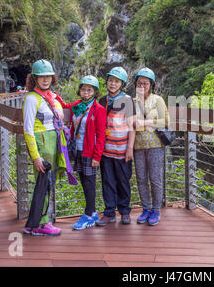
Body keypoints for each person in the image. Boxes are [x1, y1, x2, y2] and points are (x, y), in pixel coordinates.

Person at [55, 75, 107, 230]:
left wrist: (97, 156)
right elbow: (64, 106)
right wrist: (53, 96)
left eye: (89, 90)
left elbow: (101, 135)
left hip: (90, 151)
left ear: (95, 92)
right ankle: (92, 212)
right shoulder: (78, 105)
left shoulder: (99, 110)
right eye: (83, 89)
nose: (86, 92)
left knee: (90, 182)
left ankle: (89, 215)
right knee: (84, 181)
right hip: (77, 149)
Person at [22, 59, 65, 236]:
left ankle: (35, 223)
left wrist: (56, 102)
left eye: (48, 76)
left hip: (52, 142)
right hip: (42, 143)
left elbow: (60, 114)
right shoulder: (32, 98)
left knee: (48, 183)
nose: (45, 80)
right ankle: (41, 223)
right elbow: (27, 129)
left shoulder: (51, 97)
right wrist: (36, 156)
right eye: (41, 77)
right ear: (35, 78)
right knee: (44, 184)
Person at [96, 67, 136, 226]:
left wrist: (130, 148)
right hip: (105, 150)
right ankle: (109, 212)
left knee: (123, 181)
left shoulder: (127, 100)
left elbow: (132, 126)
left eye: (117, 81)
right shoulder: (102, 101)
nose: (113, 84)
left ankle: (125, 212)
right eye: (111, 80)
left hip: (122, 150)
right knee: (108, 181)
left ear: (122, 84)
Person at [133, 67, 169, 226]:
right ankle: (145, 208)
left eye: (145, 83)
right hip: (138, 146)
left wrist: (145, 122)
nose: (142, 86)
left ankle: (156, 209)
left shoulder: (158, 100)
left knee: (155, 178)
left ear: (151, 85)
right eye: (139, 83)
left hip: (155, 145)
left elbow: (165, 121)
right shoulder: (132, 101)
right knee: (141, 178)